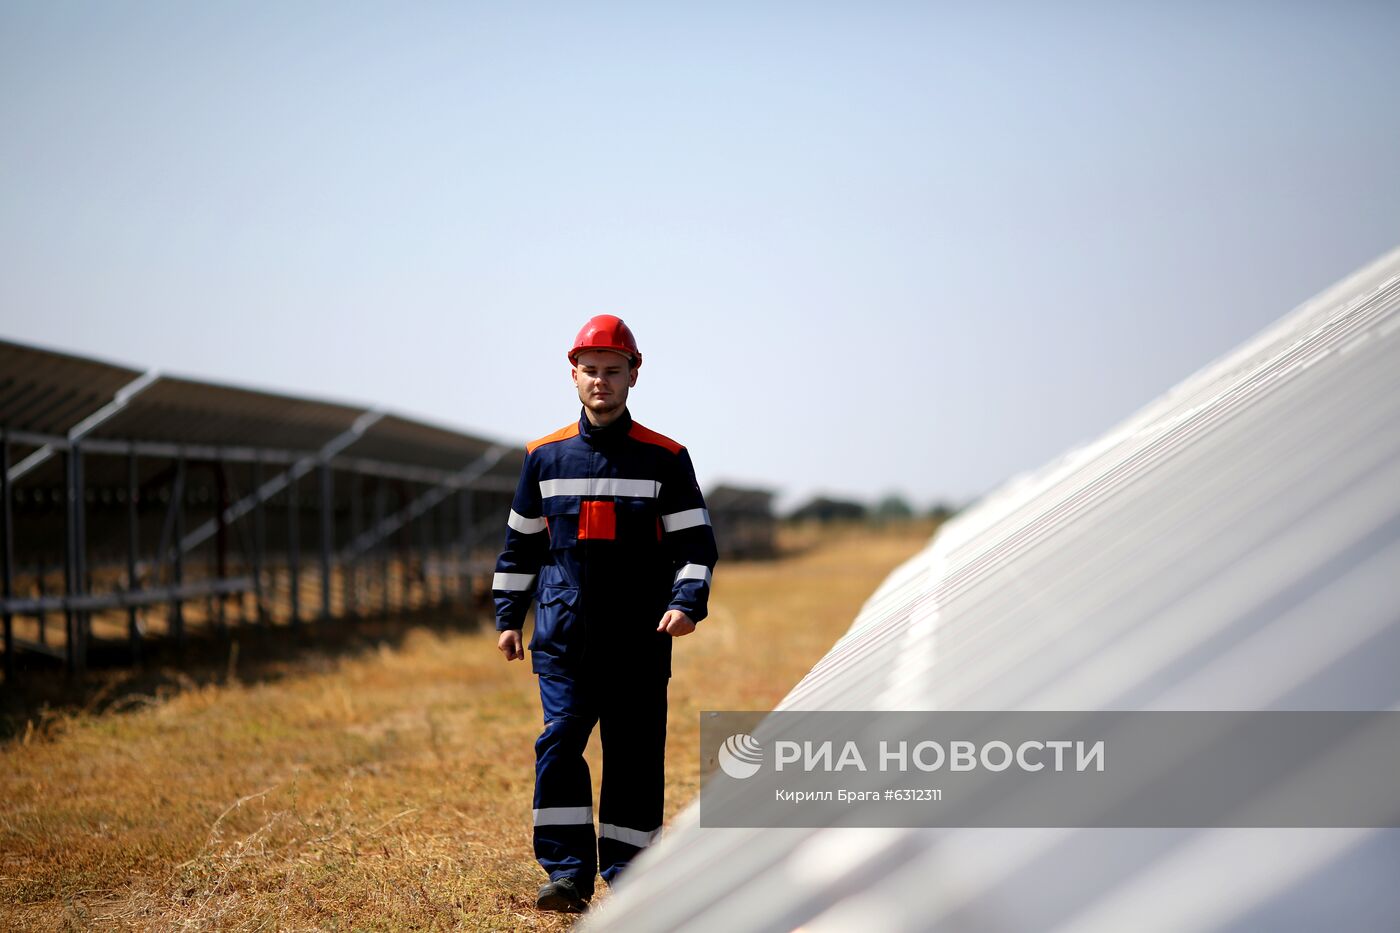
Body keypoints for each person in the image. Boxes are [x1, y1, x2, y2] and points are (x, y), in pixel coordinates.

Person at [493, 314, 718, 913]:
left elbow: (695, 548)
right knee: (560, 743)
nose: (601, 382)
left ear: (633, 376)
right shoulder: (543, 458)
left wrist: (684, 604)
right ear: (573, 375)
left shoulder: (666, 458)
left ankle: (632, 876)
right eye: (590, 371)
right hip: (564, 638)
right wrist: (509, 616)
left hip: (639, 639)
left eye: (612, 372)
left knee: (634, 757)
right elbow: (521, 546)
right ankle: (567, 874)